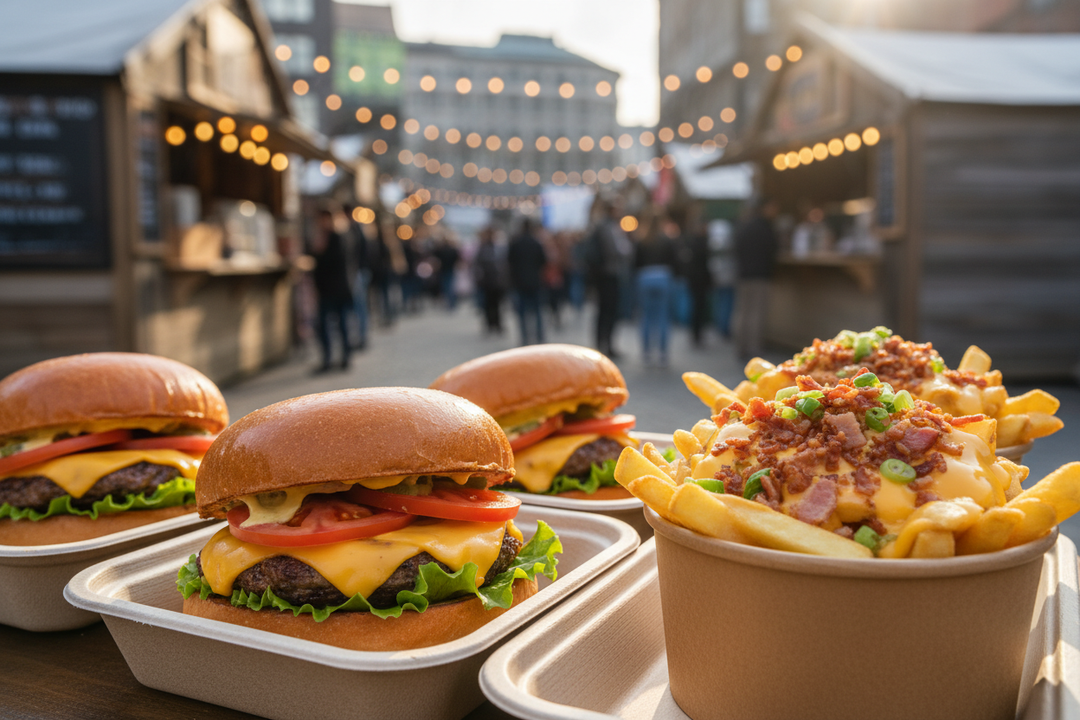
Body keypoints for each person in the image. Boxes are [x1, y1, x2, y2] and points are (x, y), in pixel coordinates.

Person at [732, 198, 780, 359]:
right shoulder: (765, 227)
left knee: (743, 312)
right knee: (756, 313)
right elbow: (773, 249)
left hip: (743, 274)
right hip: (760, 275)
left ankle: (741, 346)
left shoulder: (743, 227)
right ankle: (754, 348)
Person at [586, 198, 633, 358]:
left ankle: (604, 343)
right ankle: (605, 344)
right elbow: (618, 250)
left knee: (605, 310)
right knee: (608, 310)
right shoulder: (608, 228)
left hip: (605, 274)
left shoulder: (603, 226)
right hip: (609, 274)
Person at [309, 208, 355, 372]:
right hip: (329, 288)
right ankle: (330, 358)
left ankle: (342, 358)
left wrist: (318, 253)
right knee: (328, 325)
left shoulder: (337, 236)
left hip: (336, 288)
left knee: (338, 324)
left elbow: (332, 261)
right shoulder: (329, 236)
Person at [635, 215, 678, 366]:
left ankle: (646, 351)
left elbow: (635, 262)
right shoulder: (666, 240)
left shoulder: (642, 240)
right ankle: (662, 352)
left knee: (646, 315)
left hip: (645, 277)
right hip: (663, 276)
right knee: (662, 316)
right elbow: (674, 259)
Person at [507, 217, 547, 345]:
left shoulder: (515, 243)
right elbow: (544, 261)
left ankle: (524, 338)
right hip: (535, 281)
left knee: (522, 313)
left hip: (519, 282)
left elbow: (509, 262)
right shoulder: (536, 243)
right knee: (537, 311)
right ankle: (539, 336)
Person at [345, 207, 370, 351]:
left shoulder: (354, 231)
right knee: (358, 307)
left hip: (357, 273)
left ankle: (360, 337)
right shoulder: (358, 230)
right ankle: (359, 336)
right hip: (359, 272)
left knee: (358, 306)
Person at [473, 226, 505, 335]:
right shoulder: (483, 248)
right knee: (488, 305)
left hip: (496, 281)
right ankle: (490, 324)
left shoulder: (497, 247)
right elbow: (478, 265)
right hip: (487, 281)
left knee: (497, 304)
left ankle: (497, 324)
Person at [433, 236, 461, 310]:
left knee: (446, 288)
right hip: (450, 270)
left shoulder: (440, 250)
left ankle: (449, 303)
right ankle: (452, 303)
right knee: (450, 287)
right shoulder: (453, 250)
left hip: (443, 271)